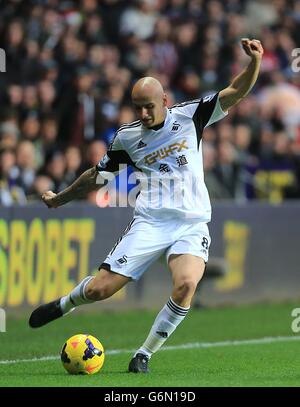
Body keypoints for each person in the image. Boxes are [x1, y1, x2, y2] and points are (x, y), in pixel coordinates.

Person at [29, 38, 264, 373]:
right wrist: (60, 199)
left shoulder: (191, 116)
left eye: (148, 106)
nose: (143, 113)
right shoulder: (127, 138)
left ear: (164, 101)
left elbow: (235, 91)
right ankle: (65, 304)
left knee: (185, 285)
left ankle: (144, 354)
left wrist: (254, 62)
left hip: (191, 223)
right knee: (98, 290)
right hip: (150, 223)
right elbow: (97, 176)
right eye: (137, 107)